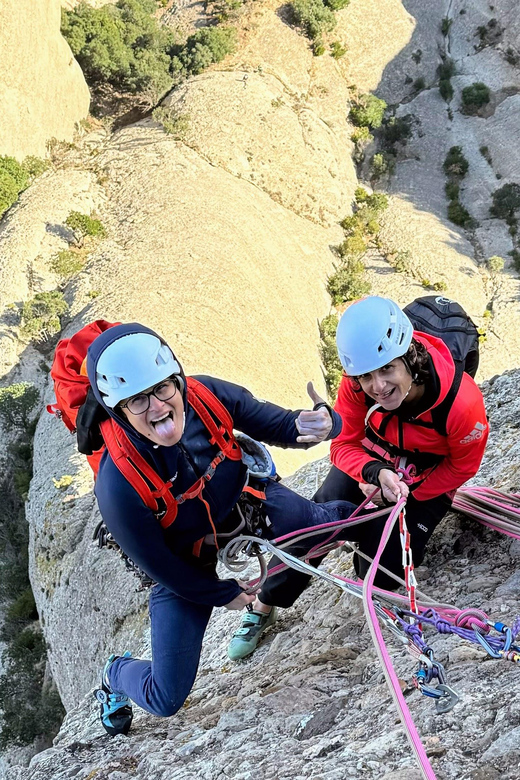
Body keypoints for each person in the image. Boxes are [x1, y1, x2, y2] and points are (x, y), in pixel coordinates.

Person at [85, 322, 370, 736]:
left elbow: (277, 424)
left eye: (163, 388)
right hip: (185, 560)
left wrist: (316, 425)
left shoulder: (205, 397)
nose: (158, 407)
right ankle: (116, 673)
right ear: (118, 410)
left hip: (246, 505)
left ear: (178, 379)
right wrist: (220, 594)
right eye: (138, 400)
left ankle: (384, 514)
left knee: (338, 524)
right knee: (165, 697)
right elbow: (160, 565)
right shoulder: (118, 485)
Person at [233, 296, 489, 646]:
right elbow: (342, 444)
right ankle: (265, 603)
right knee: (313, 523)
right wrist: (373, 472)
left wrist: (409, 492)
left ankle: (371, 544)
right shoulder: (355, 385)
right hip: (374, 461)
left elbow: (463, 465)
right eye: (367, 375)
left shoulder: (462, 403)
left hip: (426, 478)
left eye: (387, 369)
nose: (378, 386)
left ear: (410, 357)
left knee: (378, 575)